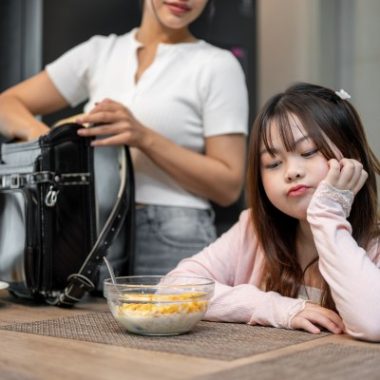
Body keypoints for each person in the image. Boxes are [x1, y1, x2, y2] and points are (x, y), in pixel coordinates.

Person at [0, 0, 249, 280]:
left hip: (174, 234)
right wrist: (56, 148)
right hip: (92, 226)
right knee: (70, 325)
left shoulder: (217, 65)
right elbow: (6, 105)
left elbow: (228, 186)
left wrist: (144, 137)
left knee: (174, 324)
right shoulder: (101, 53)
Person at [168, 82, 380, 342]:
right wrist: (277, 308)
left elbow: (374, 323)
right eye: (273, 163)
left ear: (352, 155)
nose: (291, 171)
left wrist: (328, 214)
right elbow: (174, 288)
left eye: (308, 151)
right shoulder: (252, 230)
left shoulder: (375, 242)